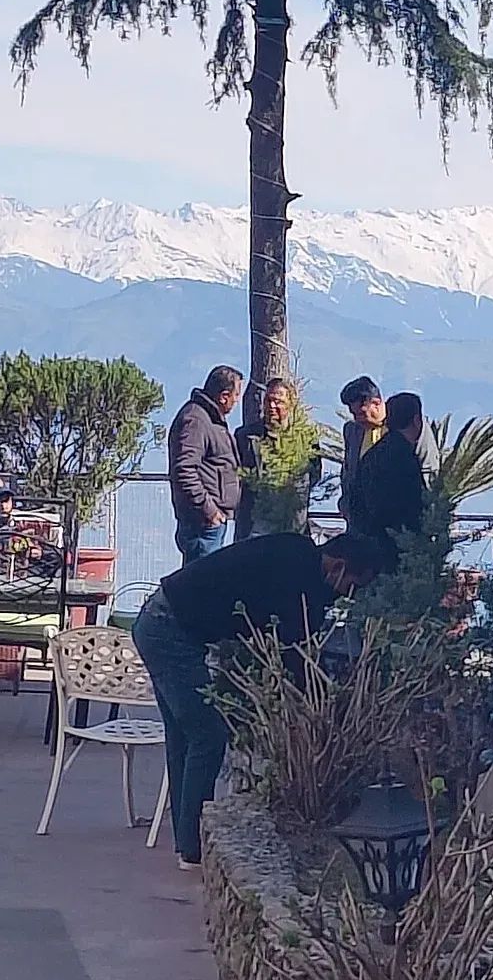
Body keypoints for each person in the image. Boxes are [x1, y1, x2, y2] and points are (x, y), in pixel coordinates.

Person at [130, 531, 387, 869]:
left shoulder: (295, 552)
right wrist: (323, 707)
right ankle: (192, 846)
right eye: (353, 586)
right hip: (170, 632)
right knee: (208, 736)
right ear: (338, 566)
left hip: (161, 621)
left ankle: (188, 842)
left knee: (185, 738)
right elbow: (293, 649)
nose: (348, 596)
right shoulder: (301, 580)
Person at [167, 365, 243, 564]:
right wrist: (209, 510)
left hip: (210, 522)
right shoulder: (196, 420)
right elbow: (184, 470)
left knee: (204, 583)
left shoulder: (209, 419)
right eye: (236, 394)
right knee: (201, 585)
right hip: (203, 524)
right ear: (224, 396)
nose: (237, 400)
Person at [340, 375, 441, 522]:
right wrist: (346, 504)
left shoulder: (407, 425)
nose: (358, 419)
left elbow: (428, 466)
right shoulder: (352, 431)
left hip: (400, 519)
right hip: (361, 524)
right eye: (354, 414)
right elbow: (349, 471)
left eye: (362, 413)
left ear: (376, 403)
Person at [343, 390, 428, 560]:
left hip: (369, 543)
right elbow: (414, 505)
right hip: (396, 546)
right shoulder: (405, 457)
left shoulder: (373, 455)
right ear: (417, 421)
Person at [233, 378, 320, 540]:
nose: (271, 406)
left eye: (278, 401)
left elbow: (314, 474)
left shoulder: (306, 438)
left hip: (292, 521)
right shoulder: (245, 436)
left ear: (290, 404)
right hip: (255, 521)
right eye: (268, 400)